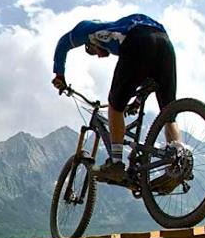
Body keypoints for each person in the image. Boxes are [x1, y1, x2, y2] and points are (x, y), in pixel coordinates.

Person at [51, 13, 181, 184]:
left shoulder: (89, 28)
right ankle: (178, 162)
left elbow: (62, 44)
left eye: (91, 51)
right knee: (168, 113)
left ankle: (116, 163)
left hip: (138, 41)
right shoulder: (119, 31)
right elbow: (145, 74)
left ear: (91, 42)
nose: (98, 55)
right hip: (165, 45)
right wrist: (137, 101)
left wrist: (59, 74)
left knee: (115, 105)